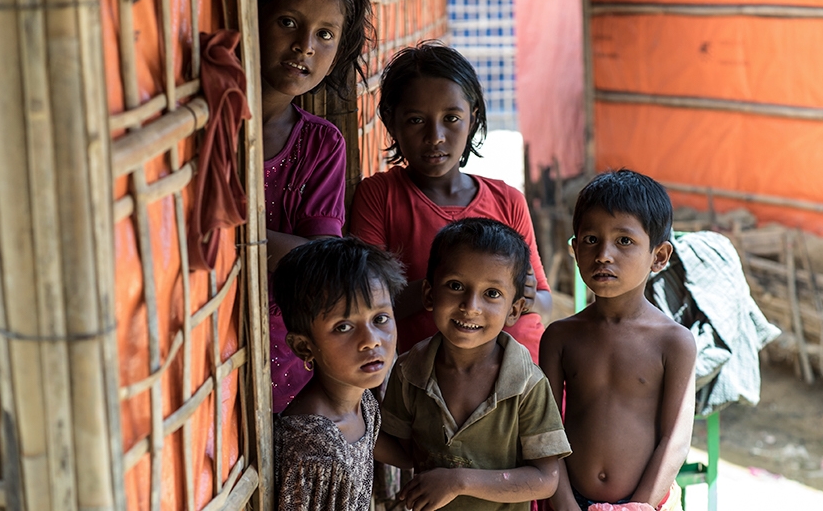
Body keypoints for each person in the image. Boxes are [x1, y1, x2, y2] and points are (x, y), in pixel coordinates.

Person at [349, 41, 552, 362]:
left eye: (451, 118)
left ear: (472, 118)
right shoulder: (380, 196)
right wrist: (448, 286)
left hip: (522, 377)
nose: (436, 136)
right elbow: (367, 305)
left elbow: (543, 300)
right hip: (428, 381)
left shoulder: (508, 200)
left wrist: (524, 297)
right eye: (416, 120)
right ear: (391, 121)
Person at [380, 218, 571, 511]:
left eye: (491, 294)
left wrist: (459, 481)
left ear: (514, 310)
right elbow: (405, 452)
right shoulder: (409, 372)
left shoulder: (527, 384)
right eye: (455, 286)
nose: (470, 306)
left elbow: (545, 479)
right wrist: (353, 426)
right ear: (429, 295)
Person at [256, 0, 375, 412]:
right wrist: (284, 247)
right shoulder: (215, 120)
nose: (305, 44)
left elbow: (318, 262)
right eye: (288, 22)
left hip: (284, 359)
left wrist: (240, 239)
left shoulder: (321, 145)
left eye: (324, 34)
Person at [539, 170, 696, 511]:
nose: (604, 254)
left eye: (624, 241)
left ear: (659, 256)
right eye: (591, 239)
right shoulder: (559, 337)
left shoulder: (674, 342)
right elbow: (545, 434)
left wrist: (636, 508)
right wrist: (564, 504)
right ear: (574, 248)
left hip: (648, 504)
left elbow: (676, 440)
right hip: (568, 500)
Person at [271, 237, 410, 510]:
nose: (371, 340)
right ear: (304, 346)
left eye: (380, 319)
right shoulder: (315, 445)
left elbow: (391, 448)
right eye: (344, 327)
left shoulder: (361, 403)